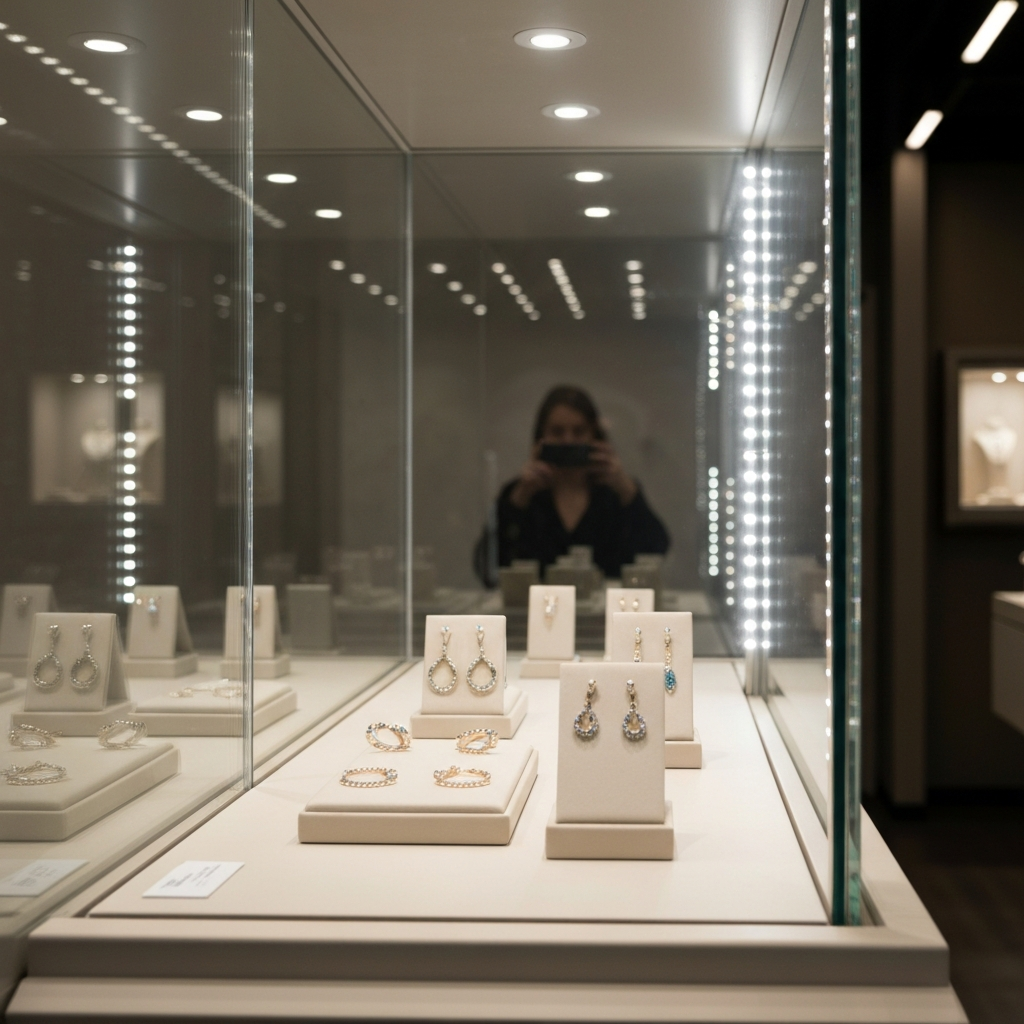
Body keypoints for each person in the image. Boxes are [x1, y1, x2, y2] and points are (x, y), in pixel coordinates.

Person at [475, 385, 670, 585]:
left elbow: (656, 550)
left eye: (579, 431)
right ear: (541, 437)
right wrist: (518, 501)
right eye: (557, 432)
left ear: (594, 435)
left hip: (605, 604)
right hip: (536, 604)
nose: (568, 440)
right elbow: (486, 566)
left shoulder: (613, 494)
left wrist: (626, 489)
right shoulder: (521, 494)